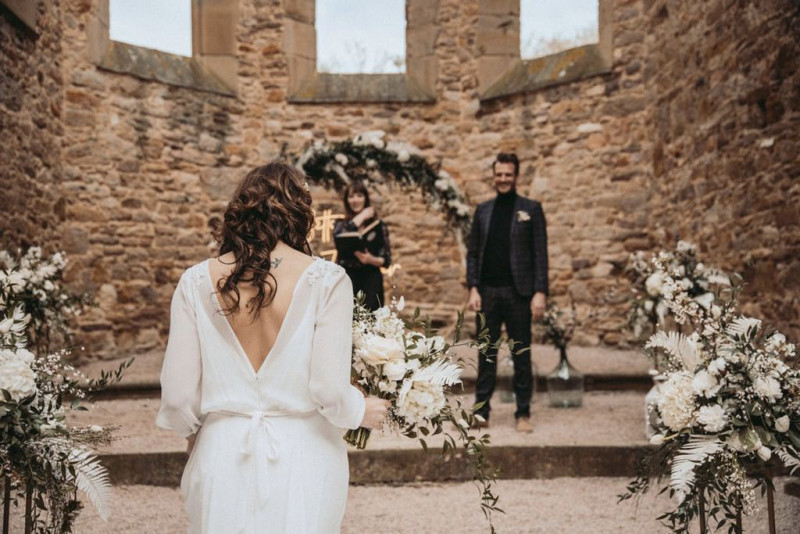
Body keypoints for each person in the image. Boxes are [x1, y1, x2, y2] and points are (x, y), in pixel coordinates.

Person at [156, 163, 389, 533]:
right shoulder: (327, 280)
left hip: (221, 451)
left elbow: (177, 396)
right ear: (299, 211)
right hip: (304, 453)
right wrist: (361, 409)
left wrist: (201, 433)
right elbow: (328, 390)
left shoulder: (194, 281)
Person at [466, 152, 548, 434]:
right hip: (487, 292)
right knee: (485, 354)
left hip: (519, 293)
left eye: (508, 175)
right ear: (494, 175)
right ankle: (481, 411)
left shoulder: (531, 209)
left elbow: (540, 254)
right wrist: (473, 288)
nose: (503, 179)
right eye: (499, 174)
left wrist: (540, 292)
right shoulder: (483, 210)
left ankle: (522, 412)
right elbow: (473, 253)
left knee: (521, 353)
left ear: (516, 176)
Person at [333, 180, 392, 311]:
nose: (355, 200)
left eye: (359, 196)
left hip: (371, 280)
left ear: (365, 198)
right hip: (347, 278)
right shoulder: (340, 224)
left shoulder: (378, 226)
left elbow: (386, 260)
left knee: (371, 322)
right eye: (351, 196)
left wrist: (370, 259)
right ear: (346, 200)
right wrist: (362, 215)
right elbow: (339, 235)